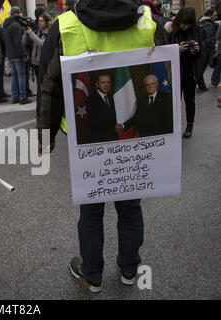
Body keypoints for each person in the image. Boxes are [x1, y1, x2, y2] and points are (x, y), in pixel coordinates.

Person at [37, 0, 165, 293]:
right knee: (131, 204)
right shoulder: (148, 20)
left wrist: (46, 134)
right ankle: (130, 269)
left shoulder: (66, 25)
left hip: (86, 136)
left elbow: (49, 86)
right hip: (133, 132)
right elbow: (168, 68)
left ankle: (92, 274)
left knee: (91, 207)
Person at [169, 7, 201, 139]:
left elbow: (200, 54)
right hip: (175, 71)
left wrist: (198, 49)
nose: (185, 26)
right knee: (174, 101)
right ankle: (174, 127)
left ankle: (190, 125)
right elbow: (164, 49)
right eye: (183, 23)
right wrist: (177, 49)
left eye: (188, 24)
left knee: (190, 100)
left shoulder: (196, 31)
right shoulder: (171, 30)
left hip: (189, 71)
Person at [3, 6, 31, 105]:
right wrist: (24, 54)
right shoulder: (16, 25)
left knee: (14, 76)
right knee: (21, 76)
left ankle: (15, 97)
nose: (21, 15)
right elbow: (18, 42)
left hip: (10, 54)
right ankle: (23, 97)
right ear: (15, 13)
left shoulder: (5, 24)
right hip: (17, 55)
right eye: (19, 13)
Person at [85, 74, 119, 143]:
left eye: (108, 82)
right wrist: (114, 127)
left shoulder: (111, 97)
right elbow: (95, 123)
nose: (106, 85)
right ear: (97, 84)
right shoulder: (91, 100)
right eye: (103, 82)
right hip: (99, 140)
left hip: (113, 139)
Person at [23, 12, 52, 81]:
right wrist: (26, 32)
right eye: (39, 21)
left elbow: (42, 44)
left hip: (43, 62)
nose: (39, 23)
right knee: (38, 82)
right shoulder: (37, 32)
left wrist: (31, 33)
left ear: (47, 22)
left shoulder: (49, 33)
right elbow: (24, 42)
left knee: (44, 82)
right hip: (35, 62)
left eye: (42, 21)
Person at [197, 9, 218, 92]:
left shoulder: (202, 22)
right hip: (205, 50)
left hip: (203, 49)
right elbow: (209, 39)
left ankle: (202, 86)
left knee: (200, 68)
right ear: (210, 15)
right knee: (200, 69)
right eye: (215, 15)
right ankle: (202, 87)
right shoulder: (208, 24)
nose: (216, 17)